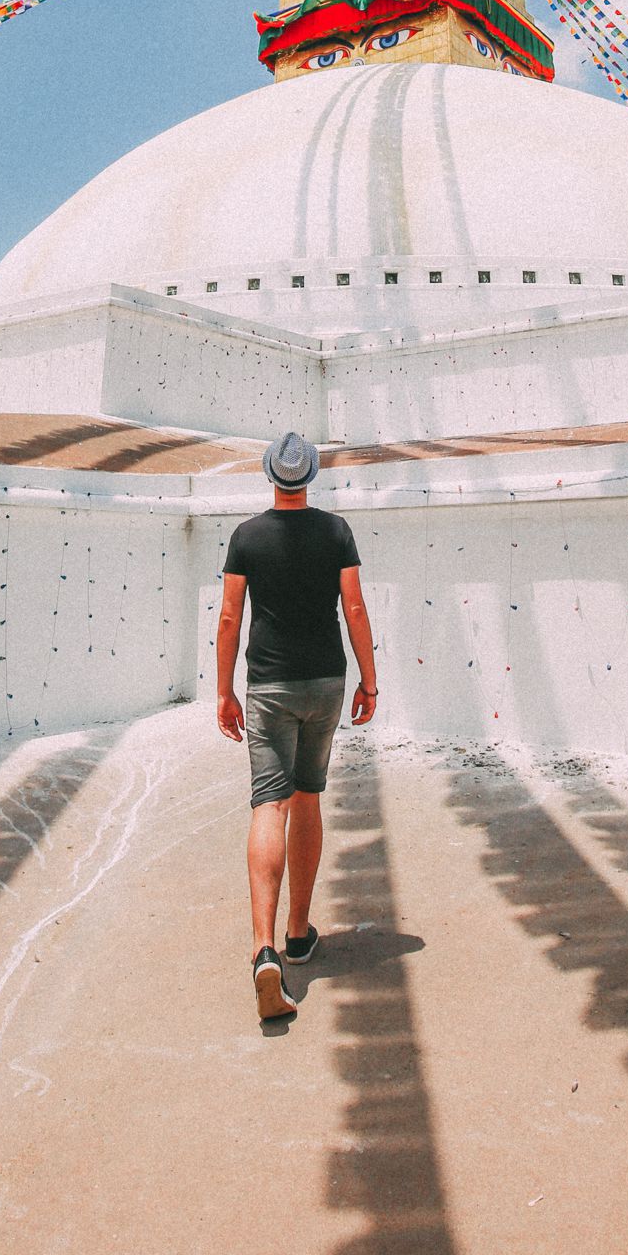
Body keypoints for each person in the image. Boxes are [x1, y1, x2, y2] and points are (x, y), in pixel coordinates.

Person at [216, 429, 378, 1021]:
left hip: (269, 688)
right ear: (309, 477)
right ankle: (299, 934)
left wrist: (223, 691)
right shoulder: (335, 532)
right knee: (308, 799)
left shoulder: (246, 537)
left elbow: (231, 616)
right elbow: (354, 607)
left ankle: (263, 951)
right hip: (326, 684)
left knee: (269, 805)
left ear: (271, 476)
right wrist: (370, 680)